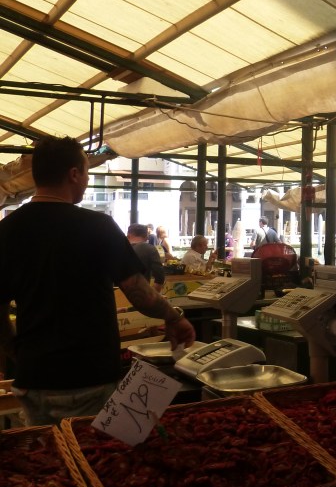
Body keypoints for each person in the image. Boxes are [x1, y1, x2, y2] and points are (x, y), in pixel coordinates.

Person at [0, 135, 195, 426]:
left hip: (34, 379)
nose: (87, 181)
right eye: (87, 173)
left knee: (49, 460)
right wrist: (174, 317)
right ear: (74, 174)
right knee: (94, 457)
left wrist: (17, 351)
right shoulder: (97, 226)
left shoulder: (7, 230)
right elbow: (139, 293)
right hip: (89, 375)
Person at [127, 223, 165, 293]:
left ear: (128, 235)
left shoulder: (118, 249)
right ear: (147, 237)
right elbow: (159, 276)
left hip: (117, 295)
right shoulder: (150, 249)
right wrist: (153, 295)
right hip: (140, 295)